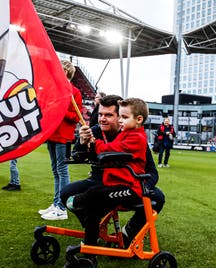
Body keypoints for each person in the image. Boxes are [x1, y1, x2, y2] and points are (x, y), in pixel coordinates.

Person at [61, 94, 165, 241]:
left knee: (158, 197)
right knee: (66, 193)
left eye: (109, 115)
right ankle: (92, 229)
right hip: (99, 180)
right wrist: (82, 142)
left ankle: (129, 232)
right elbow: (77, 156)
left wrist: (140, 189)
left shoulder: (133, 136)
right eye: (100, 114)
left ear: (120, 116)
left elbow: (152, 172)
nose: (102, 118)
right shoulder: (95, 130)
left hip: (129, 184)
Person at [38, 60, 82, 221]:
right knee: (56, 170)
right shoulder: (55, 90)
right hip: (52, 134)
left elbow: (76, 117)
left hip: (63, 136)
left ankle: (62, 207)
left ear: (66, 73)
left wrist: (60, 109)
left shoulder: (74, 92)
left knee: (62, 171)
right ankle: (56, 203)